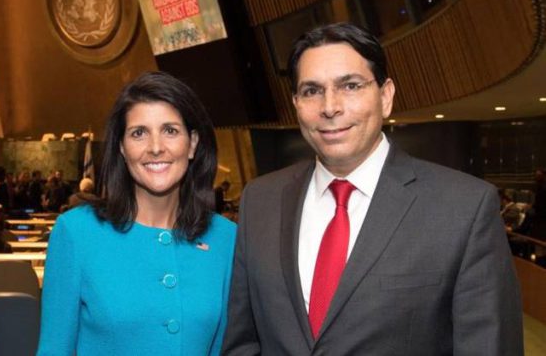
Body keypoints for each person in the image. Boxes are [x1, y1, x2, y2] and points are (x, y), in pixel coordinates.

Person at [222, 23, 522, 355]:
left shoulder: (464, 208)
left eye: (349, 85)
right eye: (311, 91)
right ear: (296, 103)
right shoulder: (261, 200)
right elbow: (242, 342)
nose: (330, 106)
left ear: (385, 96)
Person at [37, 72, 236, 355]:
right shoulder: (76, 232)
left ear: (192, 144)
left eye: (170, 130)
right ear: (121, 146)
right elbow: (54, 349)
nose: (155, 147)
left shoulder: (226, 238)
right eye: (138, 133)